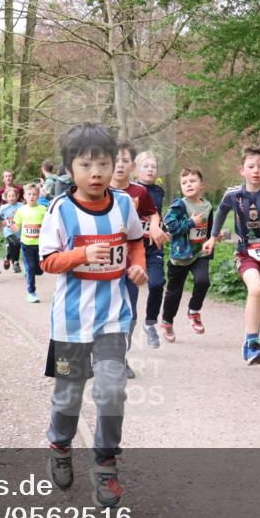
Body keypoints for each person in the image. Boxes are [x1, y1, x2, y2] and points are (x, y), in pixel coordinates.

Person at [39, 122, 147, 509]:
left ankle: (105, 464)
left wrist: (137, 266)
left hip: (114, 318)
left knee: (112, 390)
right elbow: (48, 261)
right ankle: (60, 444)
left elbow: (135, 241)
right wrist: (82, 255)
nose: (97, 173)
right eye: (86, 165)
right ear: (70, 169)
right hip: (71, 324)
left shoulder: (123, 204)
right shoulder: (61, 210)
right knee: (68, 395)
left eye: (104, 164)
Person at [209, 146, 260, 365]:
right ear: (242, 170)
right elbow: (220, 211)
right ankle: (252, 341)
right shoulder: (233, 194)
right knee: (255, 290)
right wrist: (212, 237)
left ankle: (251, 344)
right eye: (251, 167)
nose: (256, 171)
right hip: (245, 252)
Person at [110, 141, 161, 378]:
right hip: (102, 265)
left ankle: (121, 357)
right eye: (116, 160)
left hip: (130, 264)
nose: (120, 165)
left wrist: (155, 227)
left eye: (125, 161)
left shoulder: (139, 193)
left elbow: (152, 213)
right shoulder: (97, 189)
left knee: (129, 315)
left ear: (133, 166)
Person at [160, 168, 215, 342]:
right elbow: (169, 225)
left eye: (192, 181)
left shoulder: (207, 206)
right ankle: (167, 322)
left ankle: (193, 312)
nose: (188, 184)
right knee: (174, 293)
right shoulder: (180, 205)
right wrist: (191, 222)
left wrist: (215, 235)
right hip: (180, 256)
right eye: (184, 182)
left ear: (202, 185)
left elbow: (209, 226)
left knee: (203, 281)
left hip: (199, 253)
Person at [132, 151, 169, 348]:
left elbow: (159, 215)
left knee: (156, 284)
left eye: (153, 166)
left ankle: (150, 323)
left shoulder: (159, 191)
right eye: (146, 166)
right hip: (133, 246)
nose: (150, 169)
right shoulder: (129, 191)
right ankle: (127, 325)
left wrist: (163, 229)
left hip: (153, 245)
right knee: (131, 289)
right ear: (135, 170)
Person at [11, 182, 46, 302]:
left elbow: (48, 225)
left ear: (38, 196)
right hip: (26, 244)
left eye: (34, 194)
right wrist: (10, 225)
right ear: (24, 196)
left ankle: (31, 272)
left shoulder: (43, 209)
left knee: (39, 270)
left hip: (40, 245)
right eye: (29, 194)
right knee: (30, 267)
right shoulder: (21, 210)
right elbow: (16, 227)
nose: (32, 196)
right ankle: (31, 292)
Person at [0, 185, 23, 272]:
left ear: (17, 196)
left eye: (13, 196)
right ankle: (16, 263)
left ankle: (7, 257)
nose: (11, 198)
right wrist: (2, 221)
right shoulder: (4, 208)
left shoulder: (21, 206)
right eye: (9, 196)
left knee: (15, 246)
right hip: (9, 232)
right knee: (15, 243)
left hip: (18, 231)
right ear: (6, 197)